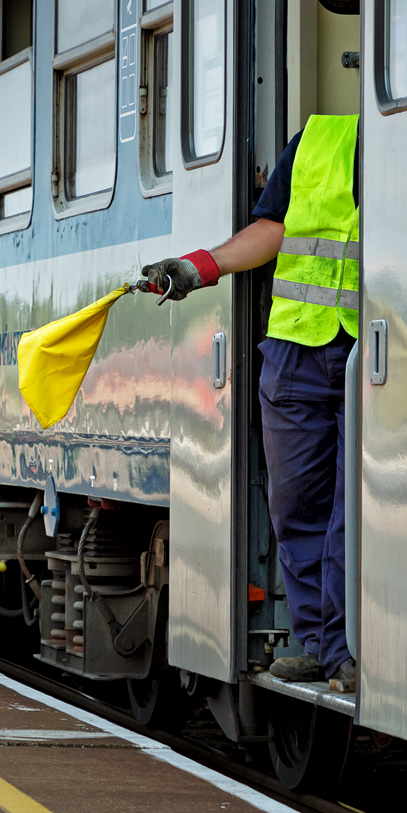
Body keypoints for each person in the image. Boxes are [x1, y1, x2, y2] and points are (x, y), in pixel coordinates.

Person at [142, 113, 358, 689]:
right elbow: (273, 228)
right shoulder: (319, 139)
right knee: (297, 508)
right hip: (296, 352)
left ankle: (344, 649)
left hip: (372, 349)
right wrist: (197, 268)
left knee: (349, 513)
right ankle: (319, 644)